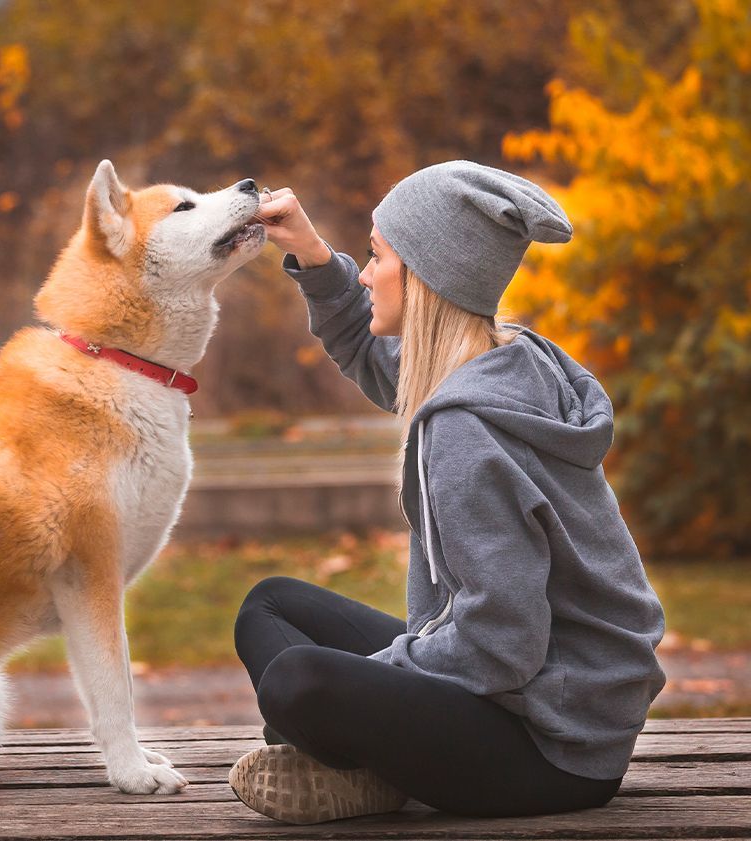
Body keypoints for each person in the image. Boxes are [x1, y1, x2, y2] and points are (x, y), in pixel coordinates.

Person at [227, 161, 667, 824]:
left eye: (377, 257)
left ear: (428, 276)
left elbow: (500, 645)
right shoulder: (507, 356)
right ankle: (368, 758)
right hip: (538, 699)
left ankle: (368, 765)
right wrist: (314, 256)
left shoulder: (466, 432)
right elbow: (373, 357)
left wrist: (370, 684)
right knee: (269, 605)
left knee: (298, 682)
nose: (368, 273)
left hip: (552, 747)